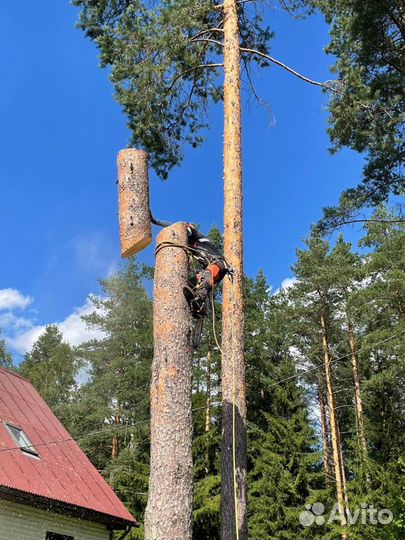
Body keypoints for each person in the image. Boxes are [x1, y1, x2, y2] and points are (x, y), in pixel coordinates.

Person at [184, 223, 229, 317]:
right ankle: (199, 307)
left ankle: (199, 298)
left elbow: (186, 230)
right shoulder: (191, 247)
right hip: (210, 268)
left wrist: (156, 221)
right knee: (191, 282)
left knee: (208, 274)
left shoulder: (198, 236)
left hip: (218, 262)